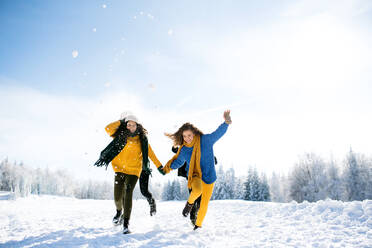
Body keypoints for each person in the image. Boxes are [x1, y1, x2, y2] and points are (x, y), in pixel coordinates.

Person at [94, 112, 164, 234]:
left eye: (133, 125)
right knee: (117, 197)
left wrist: (160, 167)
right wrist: (121, 121)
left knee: (128, 192)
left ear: (138, 126)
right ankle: (118, 212)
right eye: (128, 124)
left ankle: (126, 224)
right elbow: (107, 128)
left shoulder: (142, 140)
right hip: (119, 169)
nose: (131, 127)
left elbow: (151, 154)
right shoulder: (120, 135)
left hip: (133, 171)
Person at [161, 110, 232, 230]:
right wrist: (166, 169)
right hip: (195, 175)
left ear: (194, 133)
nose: (187, 138)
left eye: (189, 135)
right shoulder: (184, 149)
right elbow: (178, 162)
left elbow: (218, 133)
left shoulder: (206, 140)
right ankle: (189, 204)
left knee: (204, 205)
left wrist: (226, 122)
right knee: (197, 190)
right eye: (184, 136)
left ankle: (197, 227)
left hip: (209, 176)